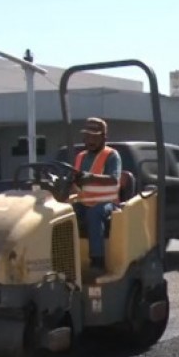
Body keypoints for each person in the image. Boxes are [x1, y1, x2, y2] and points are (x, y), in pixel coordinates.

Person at [72, 117, 121, 273]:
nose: (90, 140)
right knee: (61, 215)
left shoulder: (112, 155)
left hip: (107, 203)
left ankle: (97, 261)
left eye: (94, 136)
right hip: (83, 201)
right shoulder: (80, 156)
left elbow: (114, 179)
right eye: (87, 136)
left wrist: (91, 177)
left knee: (94, 214)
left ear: (104, 137)